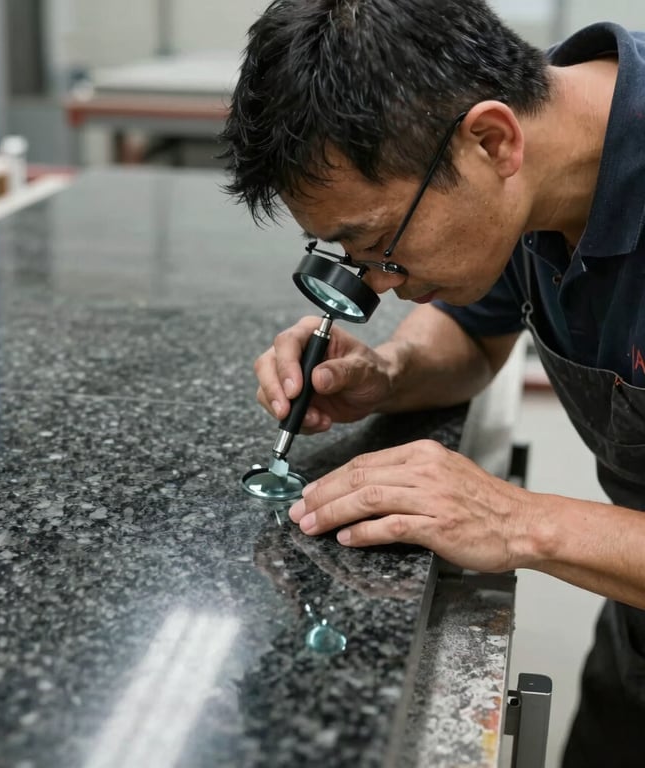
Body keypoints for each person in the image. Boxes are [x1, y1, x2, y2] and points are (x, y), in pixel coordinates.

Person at [220, 0, 645, 764]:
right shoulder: (530, 152)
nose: (378, 284)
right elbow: (475, 332)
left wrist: (517, 522)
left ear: (492, 141)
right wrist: (389, 372)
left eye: (381, 243)